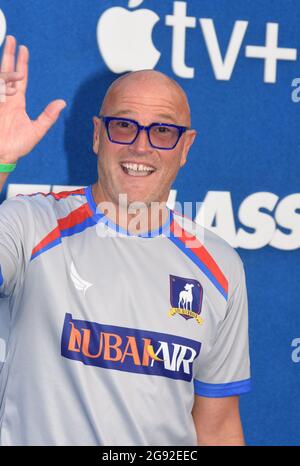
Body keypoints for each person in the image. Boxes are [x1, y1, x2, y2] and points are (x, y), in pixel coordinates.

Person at [0, 35, 251, 446]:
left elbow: (218, 426)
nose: (141, 145)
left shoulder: (221, 267)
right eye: (124, 125)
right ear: (98, 135)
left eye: (163, 131)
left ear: (185, 147)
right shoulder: (30, 225)